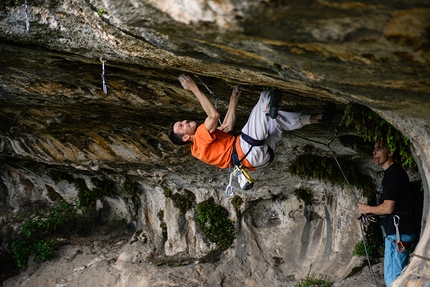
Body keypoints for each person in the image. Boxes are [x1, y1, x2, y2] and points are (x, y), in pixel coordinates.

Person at [168, 74, 335, 189]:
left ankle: (319, 118)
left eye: (181, 122)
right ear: (186, 138)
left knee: (275, 122)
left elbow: (226, 126)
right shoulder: (198, 140)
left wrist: (234, 98)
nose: (184, 122)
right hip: (247, 150)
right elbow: (214, 115)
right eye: (181, 126)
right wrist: (194, 88)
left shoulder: (201, 147)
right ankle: (268, 104)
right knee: (264, 97)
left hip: (261, 158)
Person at [358, 141, 416, 286]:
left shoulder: (393, 175)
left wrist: (368, 209)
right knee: (395, 276)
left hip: (398, 234)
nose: (374, 153)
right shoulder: (393, 173)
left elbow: (388, 208)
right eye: (374, 149)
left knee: (393, 279)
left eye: (379, 149)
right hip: (398, 232)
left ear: (390, 153)